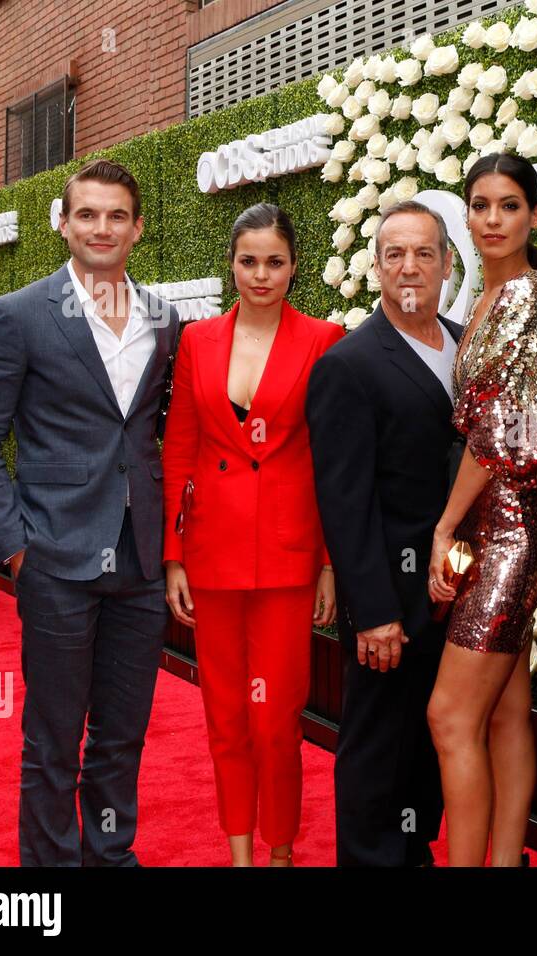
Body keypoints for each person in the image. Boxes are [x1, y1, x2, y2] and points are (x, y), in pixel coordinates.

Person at [0, 159, 181, 866]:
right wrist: (16, 549)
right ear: (63, 223)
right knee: (53, 736)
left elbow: (152, 434)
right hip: (55, 556)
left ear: (138, 228)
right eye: (87, 214)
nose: (102, 228)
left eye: (117, 215)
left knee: (122, 732)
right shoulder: (19, 315)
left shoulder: (162, 318)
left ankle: (109, 855)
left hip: (138, 560)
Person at [162, 203, 340, 867]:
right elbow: (178, 449)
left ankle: (282, 850)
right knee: (227, 719)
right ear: (231, 264)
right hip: (211, 557)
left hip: (289, 559)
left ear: (294, 266)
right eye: (248, 261)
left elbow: (333, 461)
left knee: (276, 720)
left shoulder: (324, 338)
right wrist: (173, 555)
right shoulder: (199, 341)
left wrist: (327, 564)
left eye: (274, 261)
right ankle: (240, 852)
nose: (260, 274)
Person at [307, 201, 463, 867]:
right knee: (378, 749)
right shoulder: (350, 364)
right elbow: (345, 502)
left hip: (457, 594)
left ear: (447, 264)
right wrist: (371, 613)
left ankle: (414, 852)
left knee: (429, 747)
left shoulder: (465, 341)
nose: (409, 266)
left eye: (423, 253)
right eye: (394, 253)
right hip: (389, 605)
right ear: (375, 267)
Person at [425, 153, 537, 867]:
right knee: (505, 714)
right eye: (479, 205)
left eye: (508, 205)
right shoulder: (489, 293)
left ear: (534, 216)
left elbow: (507, 432)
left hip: (511, 525)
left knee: (449, 717)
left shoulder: (525, 297)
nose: (491, 219)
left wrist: (446, 527)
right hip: (494, 523)